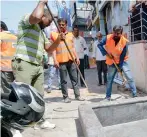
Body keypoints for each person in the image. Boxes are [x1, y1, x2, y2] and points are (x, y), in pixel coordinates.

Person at [12, 0, 62, 129]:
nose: (50, 23)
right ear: (43, 16)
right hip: (24, 64)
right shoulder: (27, 21)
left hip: (37, 66)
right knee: (22, 96)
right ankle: (15, 126)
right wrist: (41, 2)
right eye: (49, 21)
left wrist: (58, 40)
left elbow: (49, 49)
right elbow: (35, 17)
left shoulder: (41, 32)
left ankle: (40, 121)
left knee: (39, 96)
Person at [98, 25, 137, 100]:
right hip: (112, 62)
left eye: (118, 33)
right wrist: (106, 54)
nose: (115, 34)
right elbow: (99, 45)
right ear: (113, 32)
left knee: (129, 77)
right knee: (110, 80)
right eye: (114, 32)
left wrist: (120, 67)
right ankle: (108, 97)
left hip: (122, 61)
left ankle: (135, 95)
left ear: (121, 33)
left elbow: (122, 56)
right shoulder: (108, 38)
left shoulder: (124, 42)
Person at [51, 18, 84, 103]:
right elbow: (53, 49)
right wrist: (55, 60)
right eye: (60, 24)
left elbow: (73, 47)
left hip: (71, 60)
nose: (61, 26)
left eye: (63, 24)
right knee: (64, 81)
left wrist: (77, 57)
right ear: (58, 25)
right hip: (61, 61)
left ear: (66, 25)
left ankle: (77, 95)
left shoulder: (70, 35)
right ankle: (65, 97)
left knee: (75, 79)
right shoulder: (54, 35)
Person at [0, 21, 17, 93]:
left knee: (5, 91)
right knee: (13, 88)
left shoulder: (1, 36)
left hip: (3, 67)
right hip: (14, 68)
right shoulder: (15, 37)